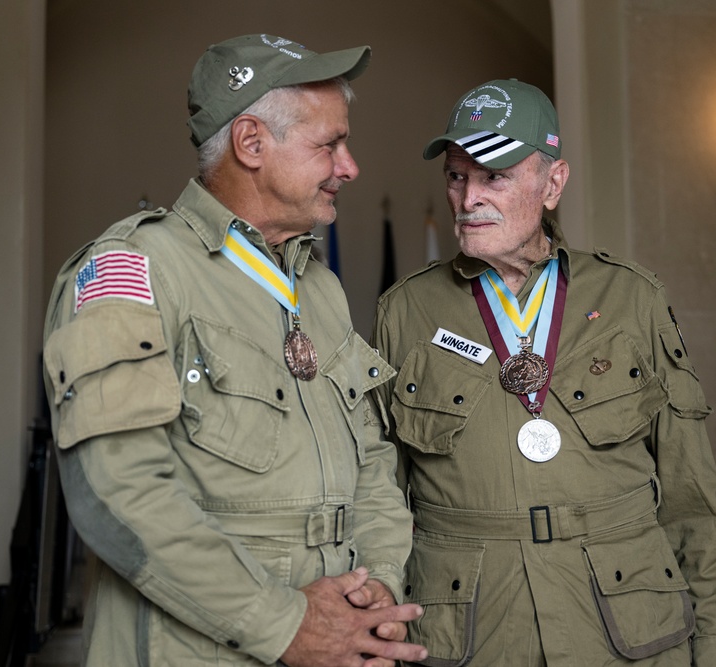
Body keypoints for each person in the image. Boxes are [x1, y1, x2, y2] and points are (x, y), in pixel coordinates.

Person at [41, 34, 428, 667]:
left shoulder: (319, 286)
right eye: (330, 144)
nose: (349, 166)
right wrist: (287, 626)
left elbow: (373, 464)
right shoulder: (133, 268)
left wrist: (377, 589)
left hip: (343, 646)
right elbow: (119, 494)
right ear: (251, 143)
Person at [372, 78, 716, 665]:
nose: (468, 197)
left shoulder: (631, 298)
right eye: (455, 174)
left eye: (493, 176)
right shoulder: (406, 311)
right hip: (471, 635)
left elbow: (694, 500)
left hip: (626, 630)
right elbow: (382, 505)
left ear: (553, 184)